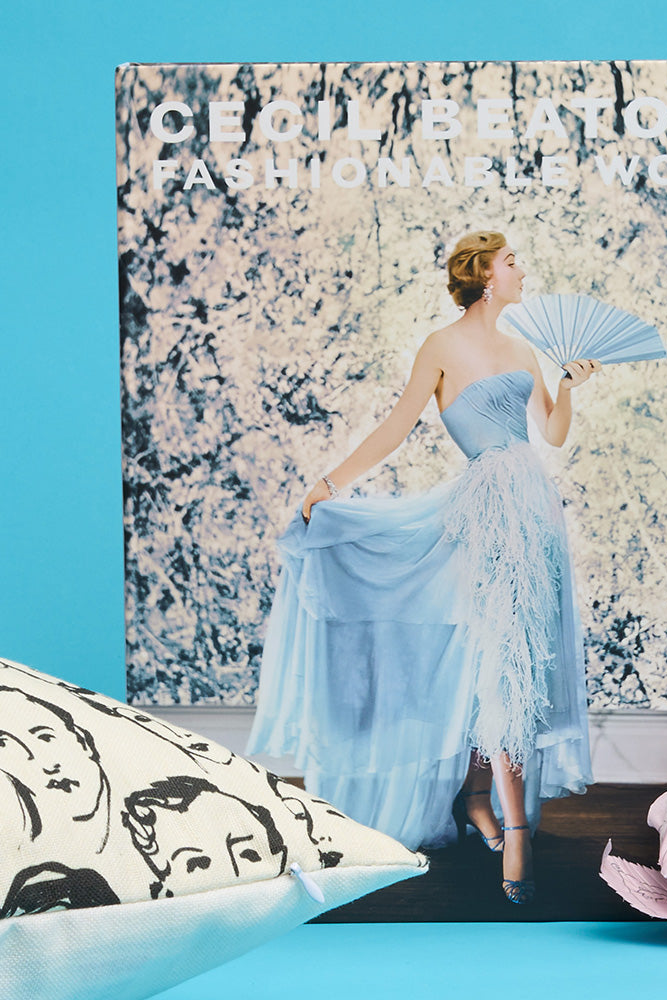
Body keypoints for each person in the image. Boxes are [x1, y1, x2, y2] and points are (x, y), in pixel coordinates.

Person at [247, 231, 597, 903]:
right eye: (513, 262)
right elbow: (398, 424)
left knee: (513, 655)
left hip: (535, 509)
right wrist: (330, 482)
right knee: (501, 659)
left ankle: (475, 800)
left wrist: (565, 386)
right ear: (485, 275)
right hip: (485, 511)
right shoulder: (441, 346)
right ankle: (514, 830)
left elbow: (549, 435)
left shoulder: (524, 348)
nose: (523, 271)